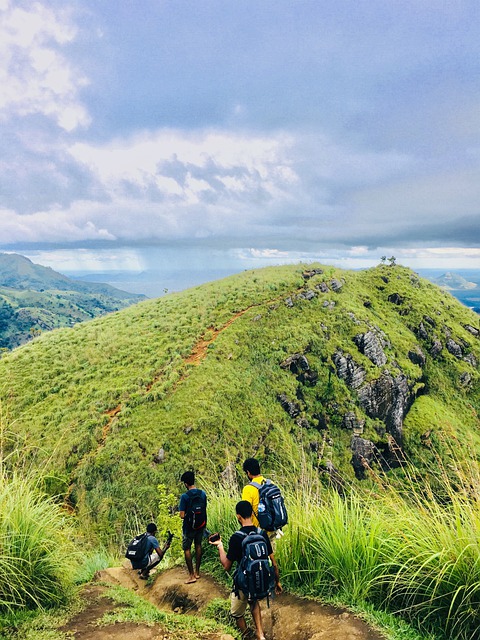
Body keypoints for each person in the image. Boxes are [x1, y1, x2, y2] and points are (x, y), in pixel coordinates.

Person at [210, 500, 282, 640]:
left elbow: (226, 566)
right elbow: (273, 562)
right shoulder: (261, 533)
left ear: (238, 516)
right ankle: (260, 634)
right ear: (252, 514)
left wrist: (220, 546)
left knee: (236, 613)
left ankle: (246, 635)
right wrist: (277, 582)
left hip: (244, 583)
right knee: (253, 602)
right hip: (260, 579)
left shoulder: (236, 538)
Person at [178, 470, 207, 584]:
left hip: (189, 527)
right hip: (201, 524)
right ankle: (198, 572)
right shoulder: (202, 494)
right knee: (198, 545)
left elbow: (182, 515)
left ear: (185, 483)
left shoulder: (184, 497)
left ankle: (191, 575)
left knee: (187, 548)